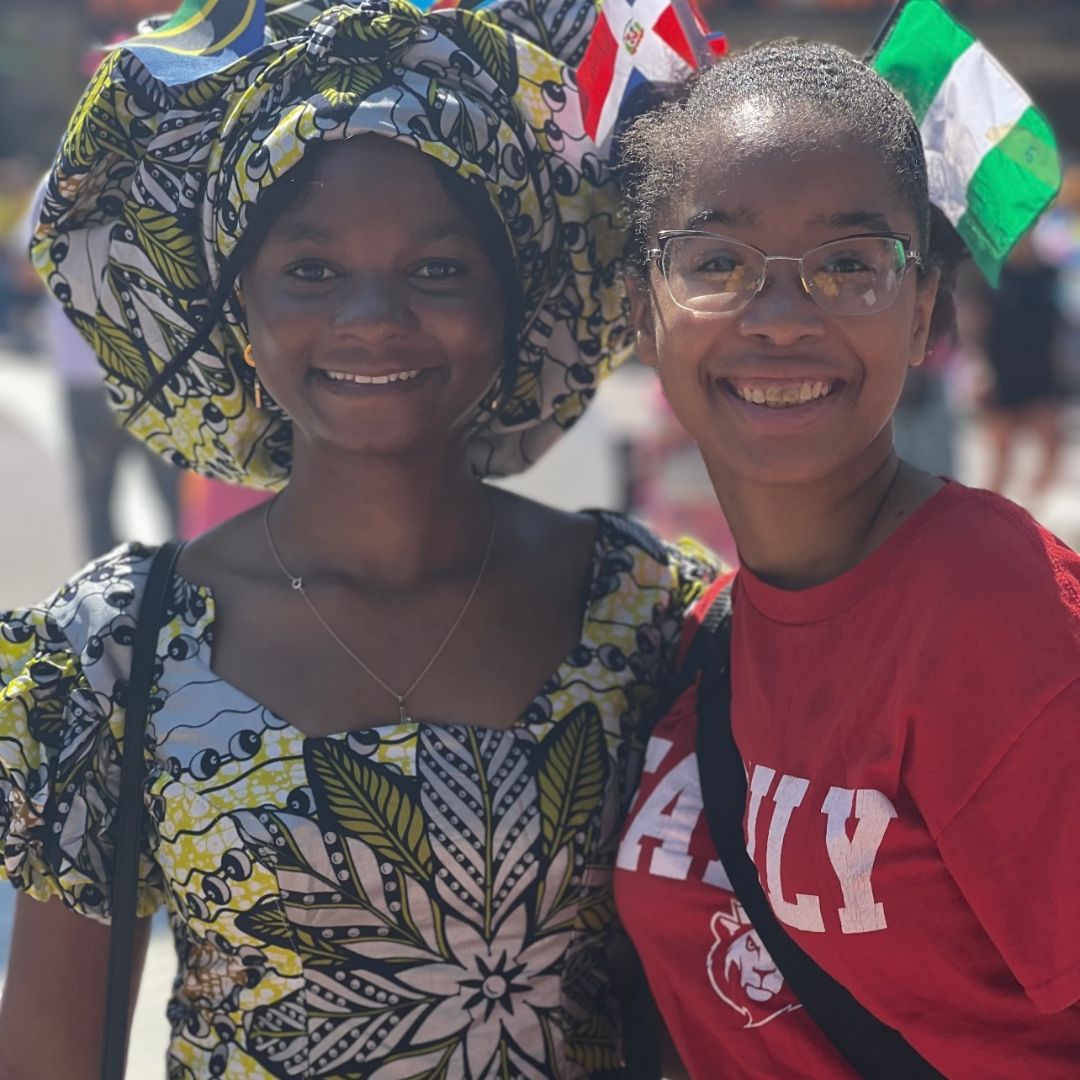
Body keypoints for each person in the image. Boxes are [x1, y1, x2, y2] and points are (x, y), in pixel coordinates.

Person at [0, 3, 716, 1077]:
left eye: (438, 270)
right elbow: (51, 1050)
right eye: (312, 271)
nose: (372, 317)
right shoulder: (115, 652)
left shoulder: (651, 619)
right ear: (236, 302)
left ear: (513, 299)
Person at [612, 41, 1080, 1079]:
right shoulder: (700, 633)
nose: (780, 319)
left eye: (850, 266)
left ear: (924, 314)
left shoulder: (996, 616)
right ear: (643, 311)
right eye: (717, 263)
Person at [979, 232, 1064, 505]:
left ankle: (1028, 509)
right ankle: (991, 513)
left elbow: (1057, 327)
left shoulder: (1048, 274)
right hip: (1002, 373)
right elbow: (979, 327)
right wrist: (980, 371)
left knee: (1052, 445)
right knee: (1001, 456)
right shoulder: (995, 276)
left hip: (1040, 373)